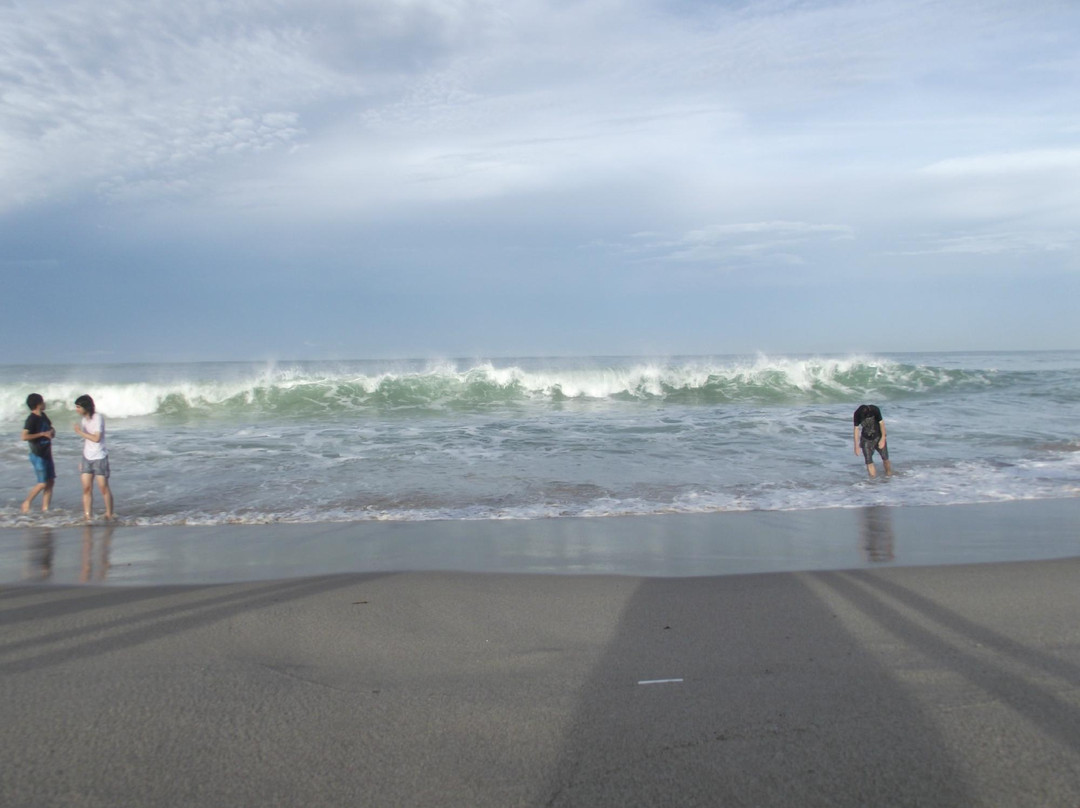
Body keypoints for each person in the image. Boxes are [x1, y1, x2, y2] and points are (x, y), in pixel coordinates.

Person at [73, 394, 115, 521]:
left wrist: (80, 432)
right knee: (86, 488)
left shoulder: (98, 418)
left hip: (99, 457)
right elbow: (87, 441)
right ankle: (88, 516)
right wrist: (82, 460)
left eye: (78, 407)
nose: (77, 410)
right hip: (87, 457)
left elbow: (96, 438)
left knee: (103, 487)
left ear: (86, 407)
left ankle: (109, 514)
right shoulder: (84, 420)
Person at [21, 393, 56, 513]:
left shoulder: (43, 416)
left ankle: (45, 509)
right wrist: (42, 434)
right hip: (37, 455)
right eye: (42, 401)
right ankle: (27, 502)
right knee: (42, 483)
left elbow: (50, 428)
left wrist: (52, 432)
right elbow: (24, 436)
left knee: (50, 481)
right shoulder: (31, 419)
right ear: (38, 404)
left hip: (47, 453)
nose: (44, 403)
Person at [853, 403, 892, 478]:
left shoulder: (875, 410)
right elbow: (856, 429)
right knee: (868, 461)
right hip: (865, 439)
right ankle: (873, 481)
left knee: (885, 459)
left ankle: (889, 476)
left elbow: (882, 424)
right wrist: (856, 446)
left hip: (878, 436)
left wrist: (883, 439)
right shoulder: (857, 414)